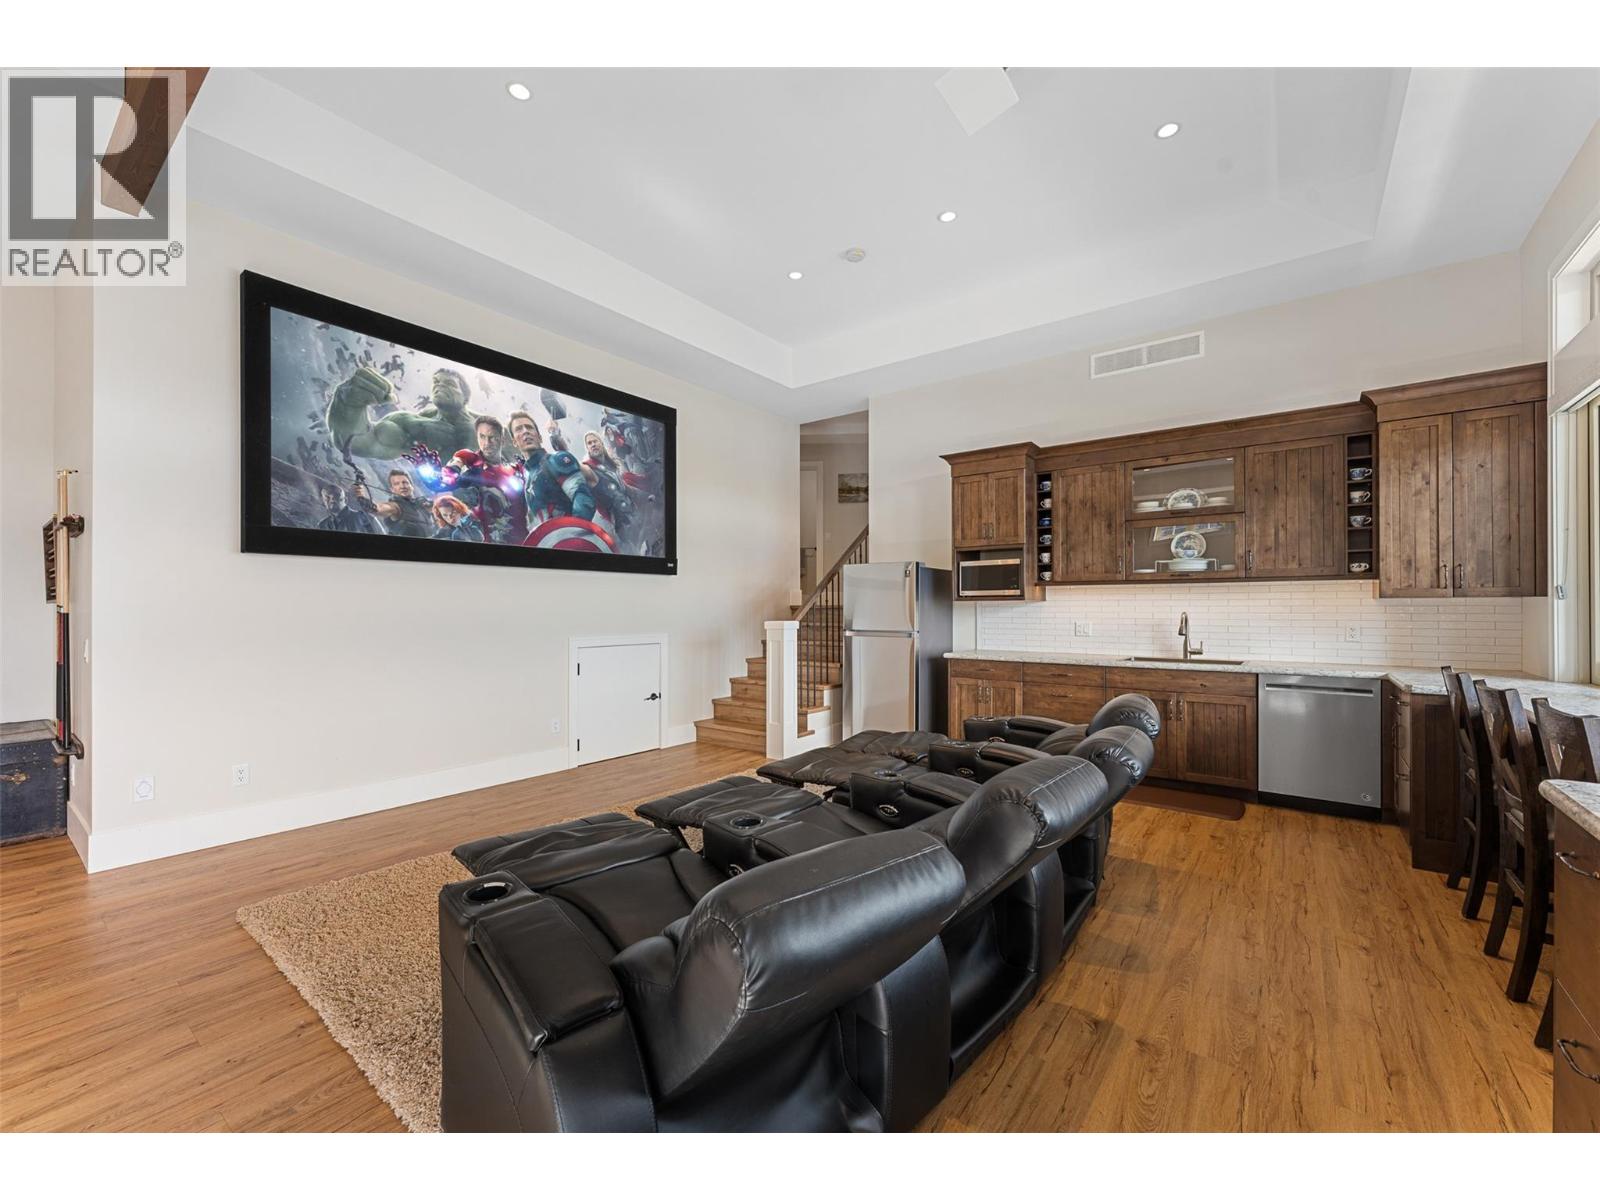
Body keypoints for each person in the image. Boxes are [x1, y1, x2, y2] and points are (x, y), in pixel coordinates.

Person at [326, 365, 478, 461]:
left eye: (449, 383)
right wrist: (347, 406)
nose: (440, 386)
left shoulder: (484, 424)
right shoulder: (412, 423)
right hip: (445, 499)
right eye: (436, 382)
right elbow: (359, 443)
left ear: (465, 396)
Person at [356, 468, 434, 538]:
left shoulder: (421, 503)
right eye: (396, 484)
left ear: (411, 486)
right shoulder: (394, 507)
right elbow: (378, 509)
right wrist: (360, 496)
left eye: (405, 482)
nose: (402, 486)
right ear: (392, 489)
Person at [315, 481, 384, 534]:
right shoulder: (322, 525)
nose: (332, 500)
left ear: (345, 500)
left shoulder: (364, 518)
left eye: (336, 495)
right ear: (323, 501)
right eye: (327, 497)